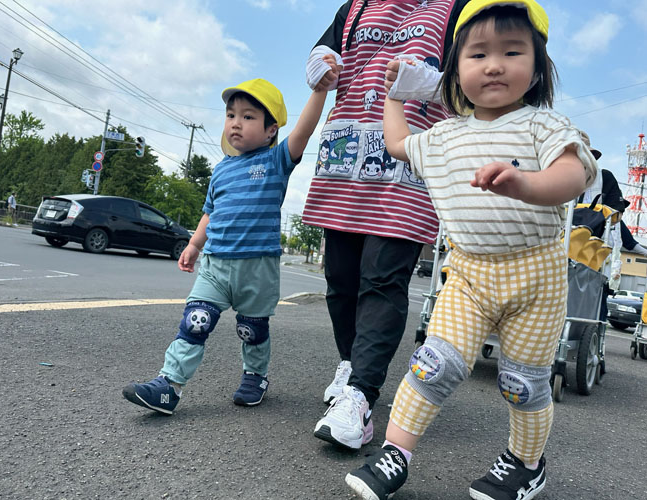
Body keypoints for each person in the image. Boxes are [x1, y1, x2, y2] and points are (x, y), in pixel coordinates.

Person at [344, 1, 598, 499]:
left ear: (538, 66)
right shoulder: (444, 135)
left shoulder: (543, 125)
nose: (495, 64)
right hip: (468, 273)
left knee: (522, 384)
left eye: (512, 51)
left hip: (536, 278)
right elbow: (397, 143)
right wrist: (397, 93)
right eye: (478, 54)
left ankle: (526, 464)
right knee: (433, 363)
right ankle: (396, 452)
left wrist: (526, 183)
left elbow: (572, 174)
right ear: (456, 70)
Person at [305, 0, 471, 451]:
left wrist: (420, 81)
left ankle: (360, 397)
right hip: (344, 160)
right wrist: (321, 65)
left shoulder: (455, 7)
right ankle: (349, 364)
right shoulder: (355, 6)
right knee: (340, 281)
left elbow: (472, 83)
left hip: (407, 164)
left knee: (381, 281)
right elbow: (324, 53)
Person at [122, 76, 331, 414]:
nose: (236, 122)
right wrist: (193, 245)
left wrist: (320, 90)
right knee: (195, 321)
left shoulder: (275, 161)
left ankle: (255, 375)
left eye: (249, 117)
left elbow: (304, 132)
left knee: (252, 330)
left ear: (270, 130)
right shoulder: (220, 171)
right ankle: (169, 386)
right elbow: (210, 213)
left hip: (258, 268)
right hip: (216, 265)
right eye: (231, 115)